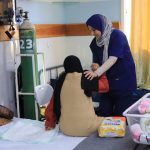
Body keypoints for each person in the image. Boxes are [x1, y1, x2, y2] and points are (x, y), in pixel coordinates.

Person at [84, 14, 137, 117]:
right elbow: (97, 63)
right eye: (90, 30)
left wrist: (96, 73)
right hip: (107, 83)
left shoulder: (117, 36)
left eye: (94, 30)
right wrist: (95, 66)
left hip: (123, 81)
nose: (91, 33)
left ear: (102, 27)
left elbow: (113, 59)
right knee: (103, 113)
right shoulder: (95, 43)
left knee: (120, 114)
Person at [45, 55, 104, 136]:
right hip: (87, 128)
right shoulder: (86, 76)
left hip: (65, 129)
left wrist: (50, 123)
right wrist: (97, 72)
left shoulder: (61, 80)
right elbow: (106, 86)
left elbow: (52, 105)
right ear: (79, 64)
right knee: (110, 120)